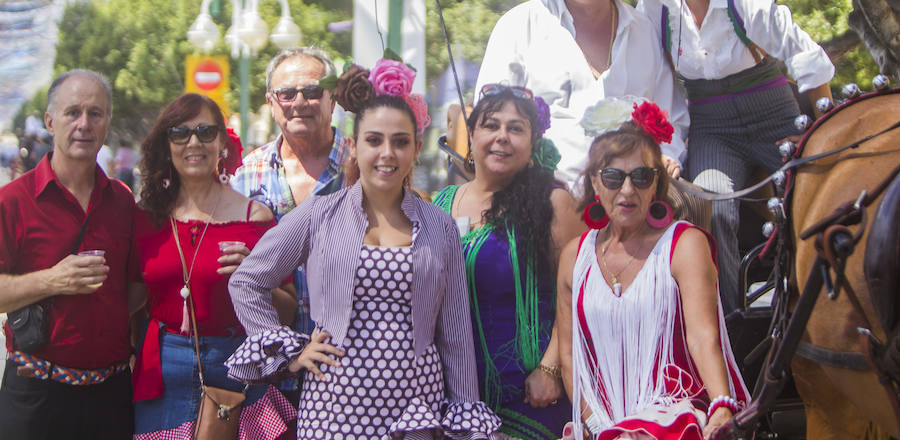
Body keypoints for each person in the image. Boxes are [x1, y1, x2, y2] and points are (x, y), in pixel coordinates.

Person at [226, 58, 502, 439]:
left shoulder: (439, 225)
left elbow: (454, 334)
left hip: (416, 411)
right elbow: (247, 282)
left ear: (416, 148)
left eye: (400, 141)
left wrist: (464, 410)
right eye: (374, 140)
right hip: (334, 410)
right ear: (355, 146)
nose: (387, 153)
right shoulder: (320, 214)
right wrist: (291, 353)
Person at [636, 0, 835, 312]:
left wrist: (825, 135)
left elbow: (810, 60)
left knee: (815, 200)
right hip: (713, 125)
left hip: (774, 112)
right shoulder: (657, 2)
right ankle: (730, 320)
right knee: (711, 207)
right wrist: (666, 148)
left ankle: (819, 309)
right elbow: (652, 77)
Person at [557, 99, 748, 440]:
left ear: (656, 184)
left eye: (641, 177)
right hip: (600, 421)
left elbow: (704, 337)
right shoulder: (575, 256)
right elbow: (570, 356)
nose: (627, 190)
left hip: (674, 410)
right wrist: (602, 428)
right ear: (594, 183)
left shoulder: (684, 244)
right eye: (613, 177)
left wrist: (721, 404)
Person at [476, 0, 688, 189]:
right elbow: (489, 118)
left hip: (634, 199)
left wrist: (667, 158)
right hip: (542, 199)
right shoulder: (517, 26)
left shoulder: (643, 31)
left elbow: (669, 116)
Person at [130, 93, 297, 440]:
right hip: (161, 369)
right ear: (167, 143)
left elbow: (287, 311)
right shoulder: (146, 217)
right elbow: (129, 300)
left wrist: (254, 280)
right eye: (181, 133)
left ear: (222, 141)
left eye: (205, 132)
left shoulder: (255, 218)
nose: (194, 142)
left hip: (234, 368)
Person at [434, 84, 586, 439]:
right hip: (451, 395)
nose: (502, 137)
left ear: (533, 142)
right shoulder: (440, 202)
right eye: (491, 125)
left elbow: (580, 294)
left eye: (515, 128)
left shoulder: (555, 203)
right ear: (471, 135)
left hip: (530, 393)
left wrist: (550, 369)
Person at [0, 69, 136, 439]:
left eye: (95, 113)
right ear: (50, 121)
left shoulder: (123, 201)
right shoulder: (13, 201)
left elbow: (135, 288)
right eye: (72, 112)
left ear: (107, 122)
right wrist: (52, 280)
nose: (84, 124)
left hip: (110, 395)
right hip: (35, 396)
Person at [230, 47, 350, 335]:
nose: (300, 102)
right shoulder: (246, 175)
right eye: (286, 94)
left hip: (349, 357)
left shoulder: (361, 167)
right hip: (274, 355)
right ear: (271, 103)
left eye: (312, 91)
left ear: (332, 100)